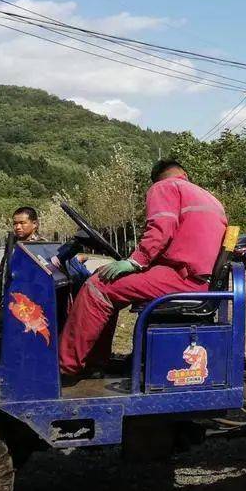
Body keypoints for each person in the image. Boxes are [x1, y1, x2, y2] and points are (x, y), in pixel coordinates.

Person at [58, 159, 227, 377]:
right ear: (184, 174)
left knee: (97, 286)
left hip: (181, 277)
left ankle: (66, 367)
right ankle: (95, 362)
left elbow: (161, 228)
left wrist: (136, 261)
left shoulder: (164, 186)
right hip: (199, 279)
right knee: (106, 280)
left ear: (157, 178)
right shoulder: (209, 197)